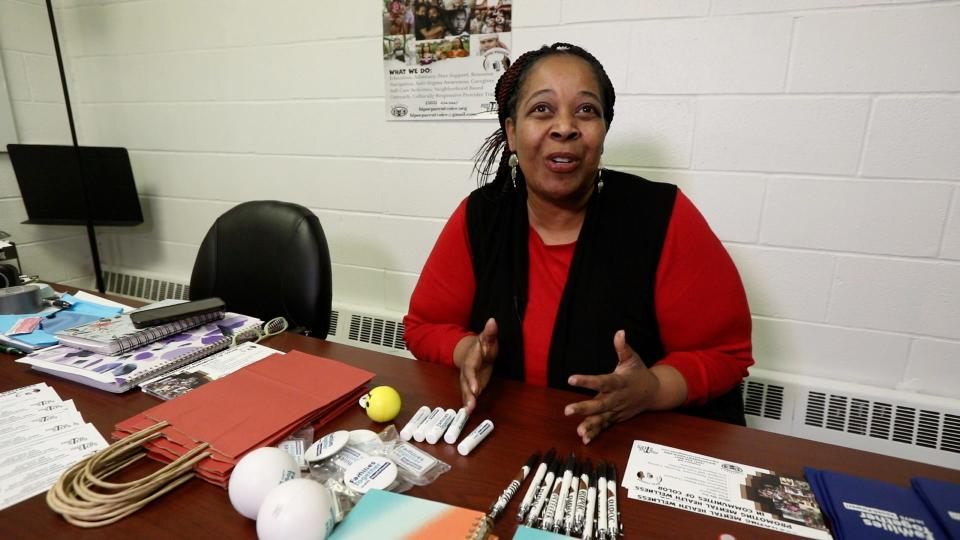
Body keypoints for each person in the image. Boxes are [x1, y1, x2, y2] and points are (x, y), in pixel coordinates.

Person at [403, 43, 754, 445]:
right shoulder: (481, 215)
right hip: (505, 437)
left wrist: (653, 388)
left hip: (629, 447)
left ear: (603, 132)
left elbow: (726, 354)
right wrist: (466, 351)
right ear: (512, 133)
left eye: (586, 110)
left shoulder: (663, 215)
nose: (565, 126)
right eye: (542, 109)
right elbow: (423, 326)